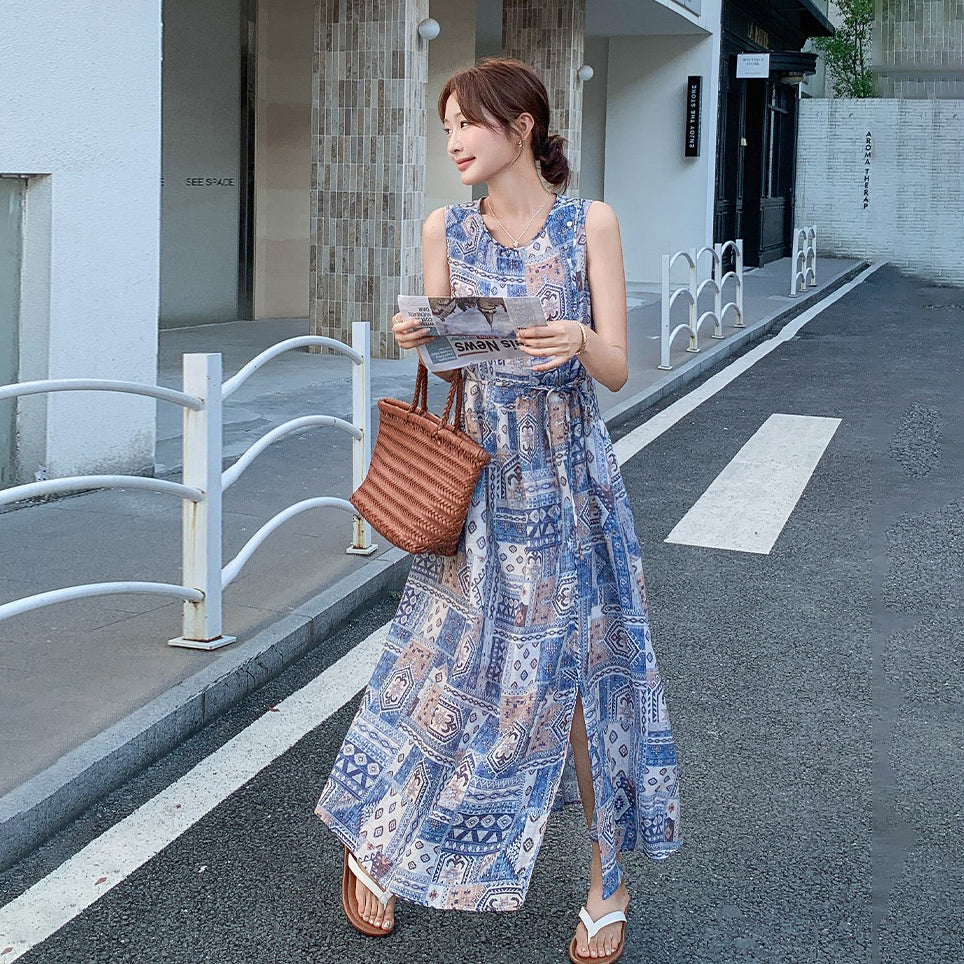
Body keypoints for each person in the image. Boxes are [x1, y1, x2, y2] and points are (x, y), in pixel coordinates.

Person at [314, 57, 683, 964]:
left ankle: (607, 881)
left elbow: (617, 370)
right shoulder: (445, 228)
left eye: (467, 124)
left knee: (586, 676)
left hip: (571, 480)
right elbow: (451, 366)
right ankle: (377, 841)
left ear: (522, 127)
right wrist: (420, 335)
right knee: (440, 661)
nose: (453, 142)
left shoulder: (590, 223)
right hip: (482, 478)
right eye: (446, 126)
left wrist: (581, 336)